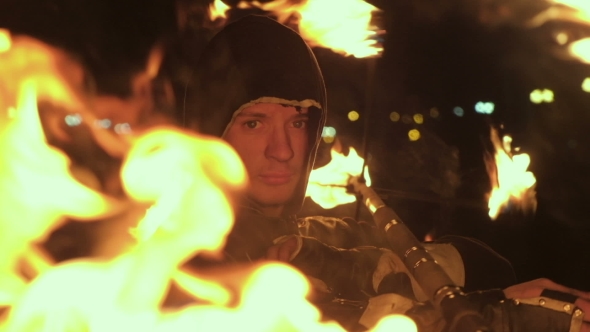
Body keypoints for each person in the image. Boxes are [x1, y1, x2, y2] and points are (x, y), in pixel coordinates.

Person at [175, 14, 586, 331]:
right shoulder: (175, 258)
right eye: (254, 122)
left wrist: (500, 297)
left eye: (298, 122)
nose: (282, 150)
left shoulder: (307, 236)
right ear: (211, 133)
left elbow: (489, 264)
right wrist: (495, 317)